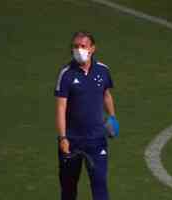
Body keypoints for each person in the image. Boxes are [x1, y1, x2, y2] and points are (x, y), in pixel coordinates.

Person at [54, 31, 119, 200]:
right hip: (72, 140)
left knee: (100, 185)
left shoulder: (103, 70)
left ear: (92, 48)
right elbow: (61, 107)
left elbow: (106, 94)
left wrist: (112, 117)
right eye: (75, 46)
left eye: (83, 46)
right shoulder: (66, 74)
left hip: (97, 140)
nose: (78, 50)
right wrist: (62, 138)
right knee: (68, 189)